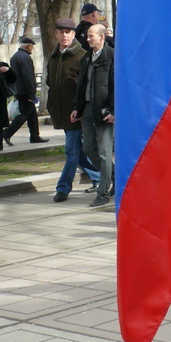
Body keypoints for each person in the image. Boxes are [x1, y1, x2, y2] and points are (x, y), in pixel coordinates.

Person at [46, 19, 99, 203]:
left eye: (68, 31)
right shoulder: (53, 56)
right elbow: (50, 83)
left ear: (74, 34)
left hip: (78, 112)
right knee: (79, 151)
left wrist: (81, 108)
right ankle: (103, 177)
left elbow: (87, 86)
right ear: (56, 34)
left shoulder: (82, 56)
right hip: (61, 111)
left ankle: (63, 187)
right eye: (61, 32)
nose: (64, 35)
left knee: (71, 150)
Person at [72, 24, 114, 208]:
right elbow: (82, 84)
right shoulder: (87, 58)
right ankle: (115, 175)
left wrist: (113, 111)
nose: (88, 39)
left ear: (102, 37)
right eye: (88, 36)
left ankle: (103, 192)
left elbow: (116, 87)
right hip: (88, 109)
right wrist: (77, 107)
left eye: (91, 36)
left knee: (105, 153)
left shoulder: (112, 56)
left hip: (104, 111)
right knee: (89, 149)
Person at [3, 36, 49, 144]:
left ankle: (35, 136)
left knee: (32, 114)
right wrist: (32, 94)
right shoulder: (25, 58)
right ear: (28, 46)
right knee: (25, 114)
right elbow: (28, 77)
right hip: (25, 92)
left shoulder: (15, 56)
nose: (32, 49)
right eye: (31, 46)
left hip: (19, 90)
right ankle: (7, 132)